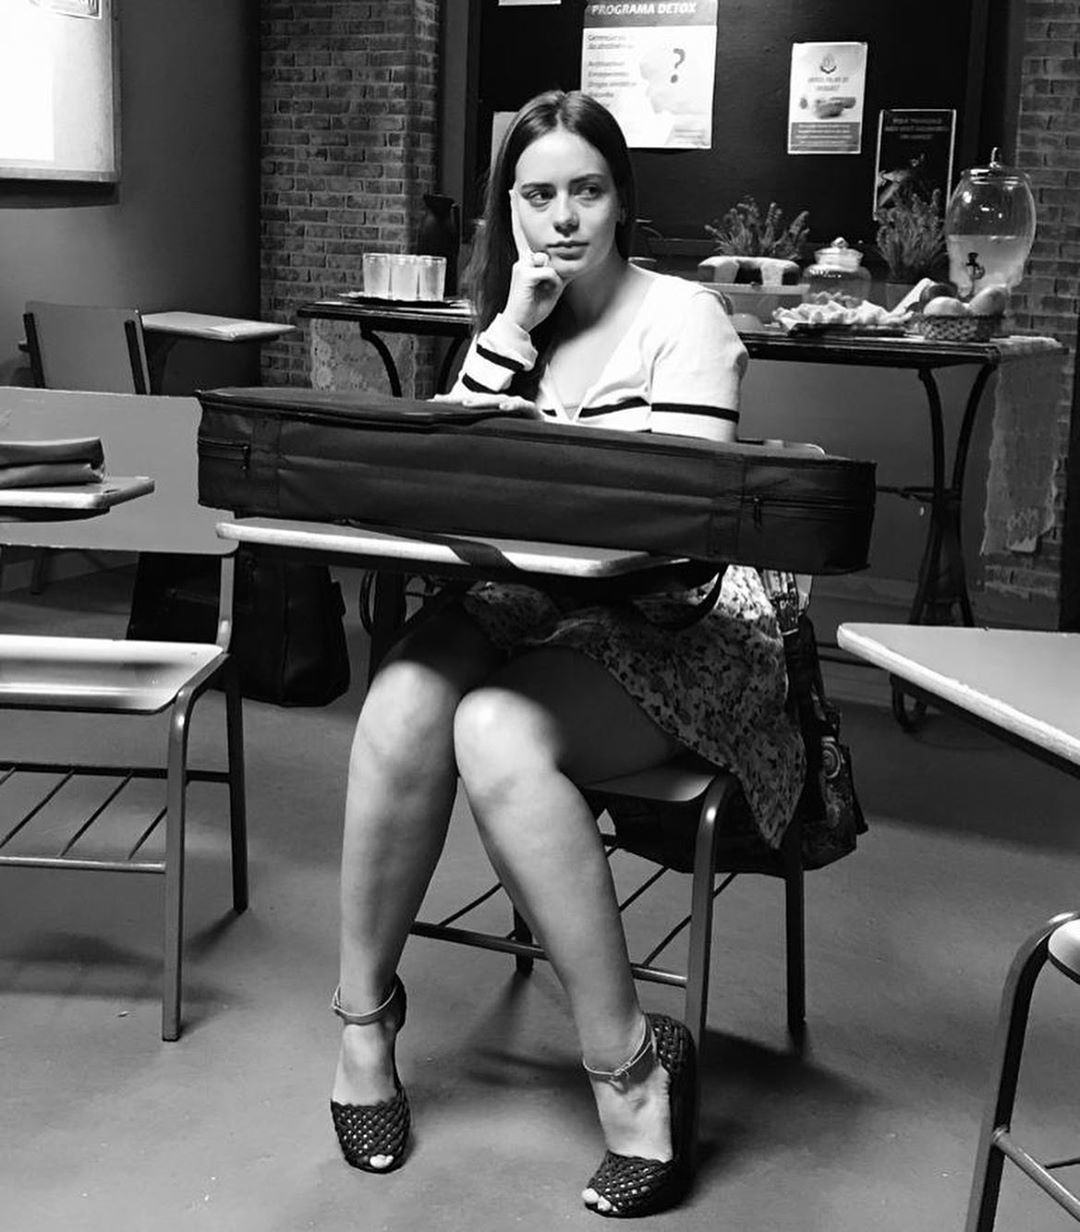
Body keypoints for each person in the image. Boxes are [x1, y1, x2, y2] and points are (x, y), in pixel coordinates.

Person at [329, 88, 805, 1218]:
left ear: (621, 198)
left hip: (679, 620)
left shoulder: (684, 317)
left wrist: (542, 490)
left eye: (585, 190)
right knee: (401, 698)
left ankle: (632, 1067)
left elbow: (678, 530)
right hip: (535, 600)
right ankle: (362, 1025)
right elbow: (445, 481)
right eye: (536, 195)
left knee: (494, 727)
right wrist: (509, 327)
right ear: (510, 208)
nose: (562, 217)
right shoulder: (516, 322)